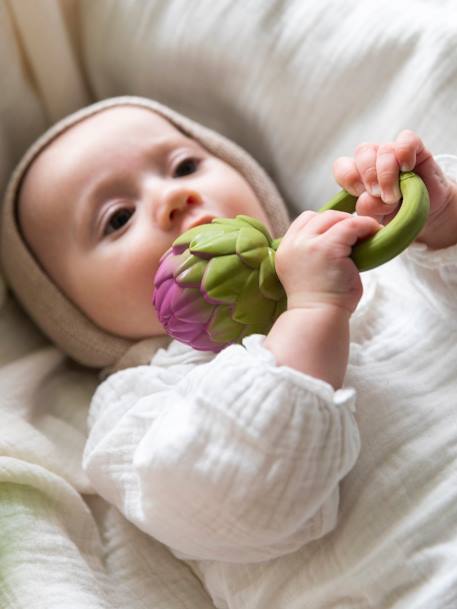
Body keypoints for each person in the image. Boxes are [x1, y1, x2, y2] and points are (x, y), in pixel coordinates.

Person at [2, 96, 457, 608]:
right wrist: (312, 312)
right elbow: (235, 493)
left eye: (184, 166)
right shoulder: (138, 405)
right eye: (117, 218)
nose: (174, 197)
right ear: (75, 314)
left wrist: (438, 225)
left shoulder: (369, 266)